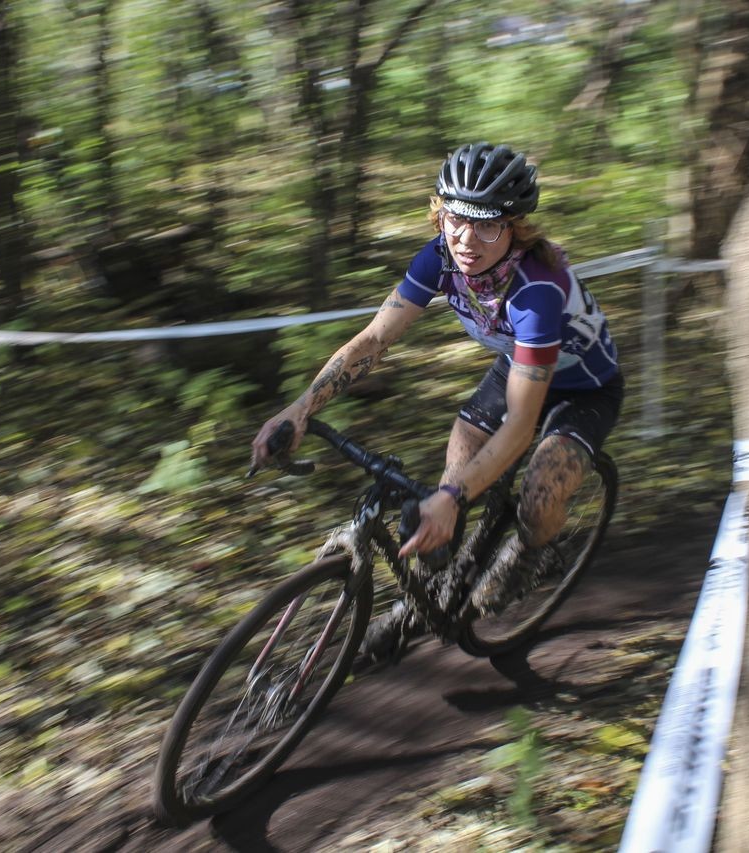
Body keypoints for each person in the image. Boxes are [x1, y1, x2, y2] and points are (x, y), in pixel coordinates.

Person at [250, 142, 624, 660]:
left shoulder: (536, 290)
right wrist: (301, 408)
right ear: (440, 214)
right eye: (455, 220)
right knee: (459, 464)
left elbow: (520, 426)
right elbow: (375, 340)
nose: (467, 240)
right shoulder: (440, 258)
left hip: (583, 386)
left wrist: (452, 500)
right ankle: (430, 600)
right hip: (519, 366)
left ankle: (530, 554)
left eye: (488, 226)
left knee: (539, 495)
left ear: (515, 227)